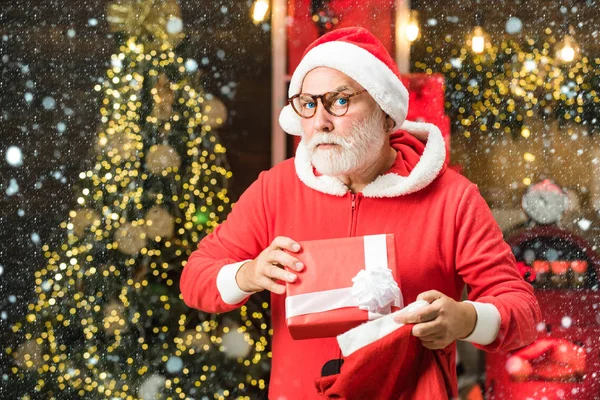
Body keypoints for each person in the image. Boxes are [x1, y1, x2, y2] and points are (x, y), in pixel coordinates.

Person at [180, 27, 541, 399]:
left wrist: (467, 320)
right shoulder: (276, 189)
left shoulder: (452, 198)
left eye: (339, 101)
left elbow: (522, 310)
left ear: (386, 112)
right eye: (307, 104)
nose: (320, 121)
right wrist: (248, 273)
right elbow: (196, 278)